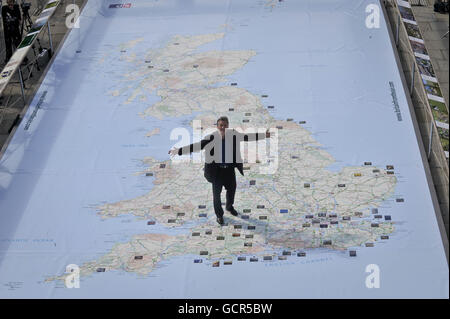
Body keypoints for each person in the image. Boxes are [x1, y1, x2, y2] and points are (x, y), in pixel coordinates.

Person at [169, 116, 270, 225]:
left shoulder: (233, 135)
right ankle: (219, 215)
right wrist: (179, 150)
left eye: (225, 125)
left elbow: (247, 137)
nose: (223, 127)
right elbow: (197, 146)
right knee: (216, 196)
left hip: (229, 170)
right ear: (217, 126)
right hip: (216, 172)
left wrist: (264, 135)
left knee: (232, 191)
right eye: (221, 125)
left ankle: (229, 207)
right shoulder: (211, 138)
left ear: (228, 126)